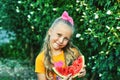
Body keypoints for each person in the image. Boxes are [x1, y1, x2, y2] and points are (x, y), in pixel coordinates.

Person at [35, 11, 86, 80]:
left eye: (66, 38)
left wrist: (83, 72)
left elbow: (79, 67)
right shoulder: (40, 59)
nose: (61, 41)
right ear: (50, 31)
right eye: (59, 35)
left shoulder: (73, 52)